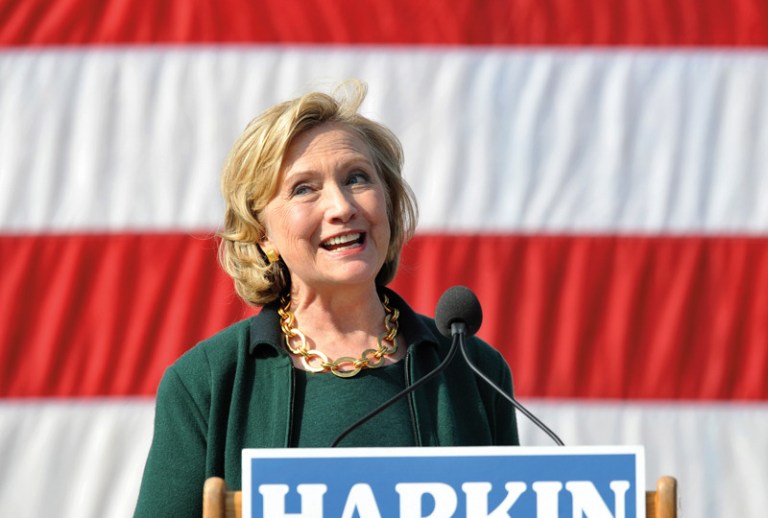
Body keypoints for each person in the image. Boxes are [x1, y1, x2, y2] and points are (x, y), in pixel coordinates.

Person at [133, 80, 519, 517]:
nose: (341, 206)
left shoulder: (474, 370)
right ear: (262, 233)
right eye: (303, 188)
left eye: (357, 178)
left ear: (388, 205)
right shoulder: (205, 382)